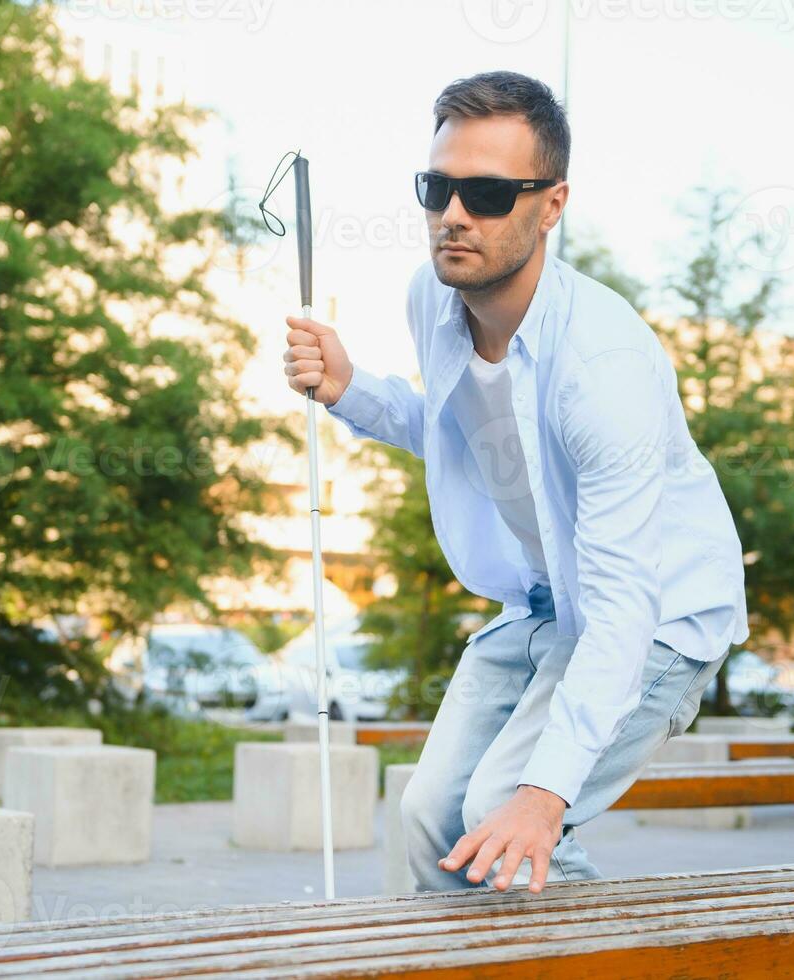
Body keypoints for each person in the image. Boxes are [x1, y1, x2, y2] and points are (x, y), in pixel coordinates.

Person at [281, 71, 747, 893]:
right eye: (438, 187)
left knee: (507, 823)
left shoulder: (602, 369)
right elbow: (458, 434)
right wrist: (351, 388)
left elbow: (621, 612)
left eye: (489, 193)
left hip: (653, 618)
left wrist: (544, 797)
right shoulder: (433, 295)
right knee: (430, 817)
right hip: (541, 603)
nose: (454, 215)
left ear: (551, 204)